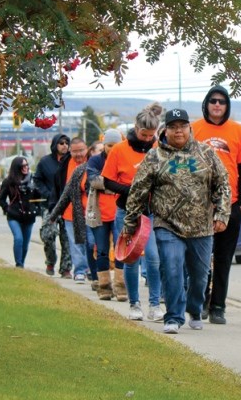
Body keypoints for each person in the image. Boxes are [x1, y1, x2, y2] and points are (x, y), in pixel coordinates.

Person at [123, 108, 231, 334]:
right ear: (165, 130)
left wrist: (222, 213)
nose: (178, 131)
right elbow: (138, 190)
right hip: (167, 225)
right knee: (172, 268)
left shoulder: (206, 153)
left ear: (190, 128)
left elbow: (222, 184)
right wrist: (131, 222)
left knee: (200, 276)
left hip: (202, 227)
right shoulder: (155, 156)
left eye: (182, 126)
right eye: (173, 127)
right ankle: (173, 316)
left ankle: (194, 308)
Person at [192, 85, 241, 325]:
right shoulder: (194, 129)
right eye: (213, 101)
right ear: (206, 104)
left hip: (228, 205)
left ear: (227, 106)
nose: (217, 105)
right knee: (200, 258)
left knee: (223, 258)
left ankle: (218, 306)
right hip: (199, 204)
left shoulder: (239, 131)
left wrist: (240, 203)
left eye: (222, 101)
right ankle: (201, 301)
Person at [102, 103, 164, 320]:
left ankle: (155, 303)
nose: (147, 138)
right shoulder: (120, 150)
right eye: (144, 134)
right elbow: (108, 181)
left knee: (154, 258)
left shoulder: (159, 149)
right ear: (136, 128)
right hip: (126, 211)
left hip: (152, 212)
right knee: (131, 258)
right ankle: (134, 303)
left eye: (151, 135)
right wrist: (132, 191)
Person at [48, 137, 95, 283]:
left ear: (86, 149)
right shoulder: (65, 165)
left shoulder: (93, 163)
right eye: (75, 151)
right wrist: (54, 210)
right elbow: (61, 189)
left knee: (91, 242)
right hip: (71, 212)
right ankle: (80, 270)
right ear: (70, 151)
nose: (78, 154)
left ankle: (91, 269)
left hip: (91, 212)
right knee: (75, 243)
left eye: (81, 150)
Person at [85, 128, 123, 299]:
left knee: (120, 249)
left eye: (115, 145)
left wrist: (106, 183)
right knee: (101, 250)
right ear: (104, 145)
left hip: (119, 212)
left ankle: (121, 286)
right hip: (99, 212)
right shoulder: (94, 161)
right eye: (109, 145)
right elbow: (93, 181)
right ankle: (104, 286)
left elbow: (128, 179)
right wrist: (116, 185)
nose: (112, 149)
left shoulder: (123, 159)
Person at [34, 134, 73, 277]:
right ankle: (50, 261)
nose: (64, 145)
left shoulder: (71, 161)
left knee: (67, 238)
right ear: (55, 145)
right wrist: (47, 193)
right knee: (48, 234)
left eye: (66, 143)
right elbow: (37, 180)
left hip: (68, 205)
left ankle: (66, 268)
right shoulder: (45, 162)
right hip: (50, 205)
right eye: (61, 143)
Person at [0, 156, 37, 268]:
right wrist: (7, 209)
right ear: (16, 167)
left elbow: (38, 196)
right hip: (14, 216)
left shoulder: (33, 180)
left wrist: (36, 207)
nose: (26, 167)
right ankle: (18, 264)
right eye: (22, 166)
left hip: (29, 217)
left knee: (25, 244)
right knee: (18, 238)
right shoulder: (9, 182)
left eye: (27, 165)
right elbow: (0, 199)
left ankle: (22, 263)